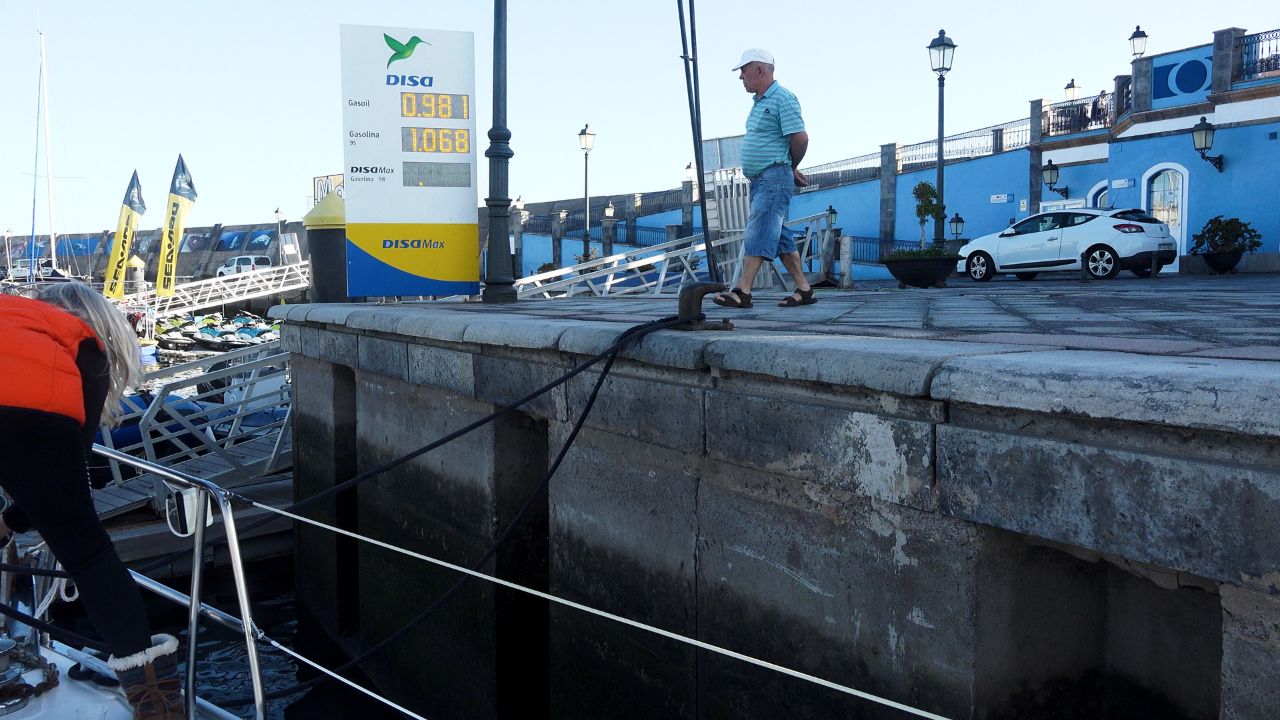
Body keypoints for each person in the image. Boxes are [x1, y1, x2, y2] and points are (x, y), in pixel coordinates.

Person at [0, 282, 184, 719]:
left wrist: (7, 522)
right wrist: (14, 521)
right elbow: (65, 471)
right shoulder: (83, 341)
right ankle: (155, 705)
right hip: (29, 413)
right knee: (89, 557)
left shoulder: (12, 313)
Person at [714, 48, 815, 309]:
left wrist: (790, 167)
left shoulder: (783, 98)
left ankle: (742, 290)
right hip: (763, 178)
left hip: (773, 177)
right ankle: (804, 289)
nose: (741, 78)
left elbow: (800, 138)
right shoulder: (760, 102)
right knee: (779, 235)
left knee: (758, 229)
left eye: (743, 71)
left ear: (759, 70)